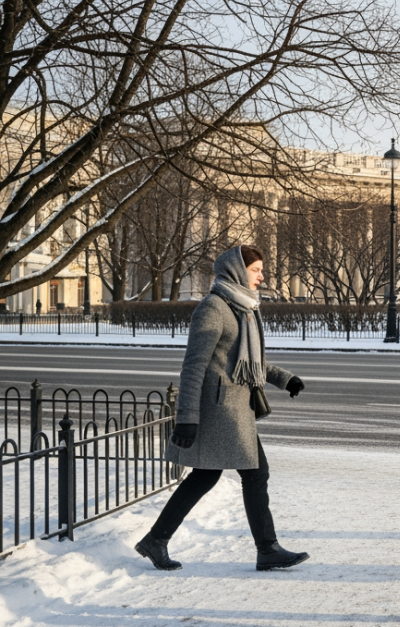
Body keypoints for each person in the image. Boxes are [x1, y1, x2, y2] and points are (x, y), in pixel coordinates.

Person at [135, 245, 309, 572]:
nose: (261, 275)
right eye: (256, 270)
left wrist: (285, 380)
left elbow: (250, 361)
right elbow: (193, 366)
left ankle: (155, 540)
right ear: (238, 271)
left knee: (205, 476)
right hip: (219, 409)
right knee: (254, 473)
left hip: (235, 408)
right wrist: (186, 418)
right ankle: (267, 549)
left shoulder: (243, 307)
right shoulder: (214, 308)